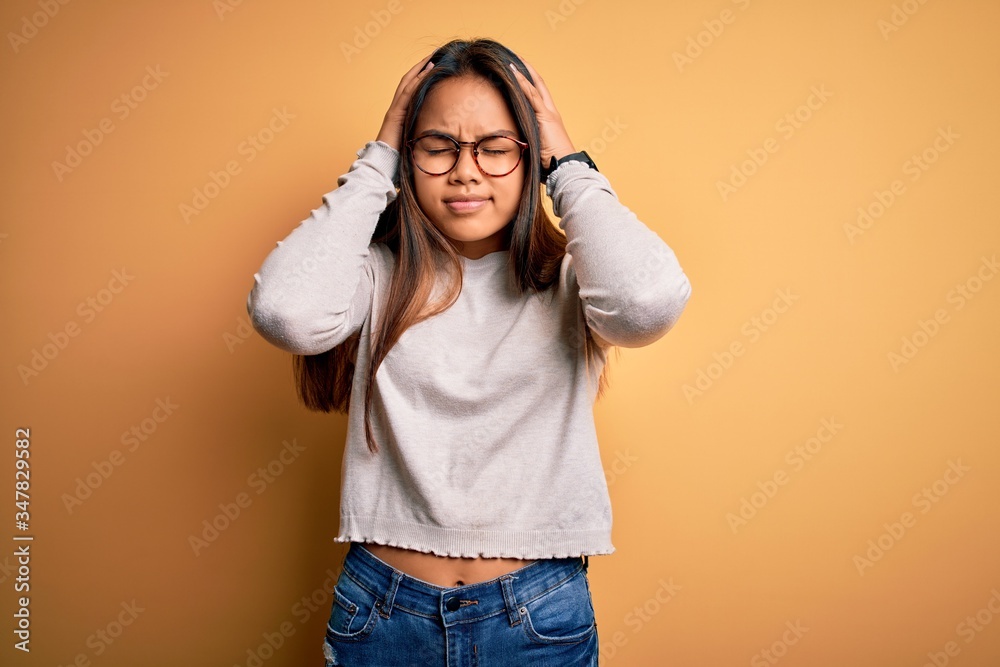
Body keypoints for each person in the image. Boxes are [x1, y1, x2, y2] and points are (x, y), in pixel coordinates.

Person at [246, 37, 692, 667]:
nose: (466, 171)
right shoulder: (374, 275)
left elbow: (647, 304)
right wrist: (377, 161)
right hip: (382, 612)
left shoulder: (573, 278)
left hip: (538, 614)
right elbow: (284, 313)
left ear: (530, 155)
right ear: (409, 157)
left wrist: (567, 163)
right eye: (438, 147)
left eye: (495, 148)